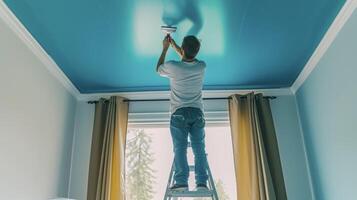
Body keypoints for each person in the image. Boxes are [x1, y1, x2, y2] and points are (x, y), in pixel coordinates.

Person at [156, 34, 208, 191]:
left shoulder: (173, 66)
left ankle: (181, 182)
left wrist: (165, 48)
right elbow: (188, 57)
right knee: (199, 149)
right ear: (197, 51)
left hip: (179, 113)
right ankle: (201, 184)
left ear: (183, 49)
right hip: (197, 113)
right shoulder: (201, 66)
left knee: (180, 147)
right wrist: (177, 46)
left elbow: (158, 69)